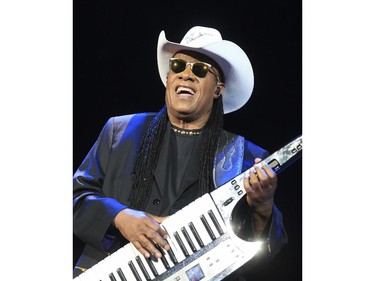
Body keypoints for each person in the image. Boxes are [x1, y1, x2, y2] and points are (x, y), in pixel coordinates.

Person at [73, 26, 288, 280]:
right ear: (168, 77)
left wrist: (262, 207)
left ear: (218, 89)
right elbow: (74, 198)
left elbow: (261, 253)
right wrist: (120, 217)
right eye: (178, 66)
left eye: (199, 69)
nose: (186, 75)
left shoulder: (244, 157)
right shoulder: (119, 131)